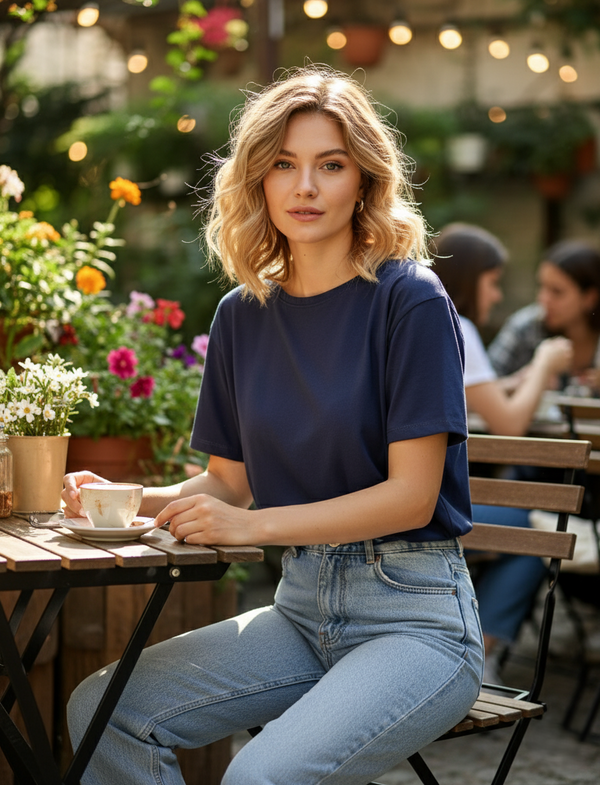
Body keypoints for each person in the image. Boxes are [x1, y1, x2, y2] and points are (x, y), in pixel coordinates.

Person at [62, 67, 483, 785]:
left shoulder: (408, 299)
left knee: (259, 776)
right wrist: (128, 499)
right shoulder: (242, 315)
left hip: (415, 617)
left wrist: (254, 529)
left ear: (365, 180)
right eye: (283, 165)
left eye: (331, 164)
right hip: (299, 609)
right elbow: (232, 483)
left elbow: (412, 497)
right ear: (257, 180)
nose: (305, 187)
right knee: (104, 710)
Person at [433, 223, 572, 684]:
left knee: (531, 519)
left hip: (407, 492)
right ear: (470, 279)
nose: (495, 296)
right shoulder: (458, 323)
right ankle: (479, 657)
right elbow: (509, 422)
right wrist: (545, 365)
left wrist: (522, 378)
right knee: (538, 527)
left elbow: (482, 396)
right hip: (432, 500)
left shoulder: (420, 317)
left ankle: (471, 648)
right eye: (492, 282)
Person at [488, 240, 600, 395]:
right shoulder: (525, 327)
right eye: (542, 286)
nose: (543, 299)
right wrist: (521, 381)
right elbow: (480, 390)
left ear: (590, 298)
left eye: (556, 291)